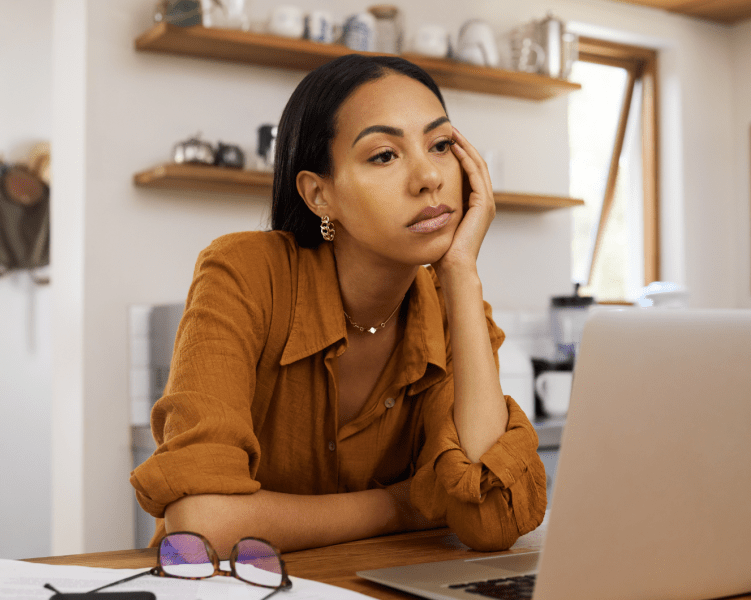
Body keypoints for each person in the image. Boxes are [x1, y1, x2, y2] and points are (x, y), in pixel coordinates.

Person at [131, 54, 546, 556]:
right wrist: (407, 504)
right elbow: (201, 524)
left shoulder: (453, 305)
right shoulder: (245, 272)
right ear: (319, 194)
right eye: (384, 155)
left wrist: (461, 269)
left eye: (440, 146)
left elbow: (490, 520)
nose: (429, 178)